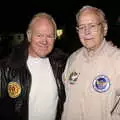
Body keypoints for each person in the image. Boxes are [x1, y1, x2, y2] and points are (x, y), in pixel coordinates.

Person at [0, 12, 68, 120]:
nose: (44, 41)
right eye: (39, 35)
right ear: (29, 36)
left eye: (49, 36)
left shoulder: (63, 64)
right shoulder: (6, 67)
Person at [62, 5, 120, 120]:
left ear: (105, 28)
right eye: (82, 27)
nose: (86, 32)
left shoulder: (117, 60)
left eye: (92, 26)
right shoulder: (72, 59)